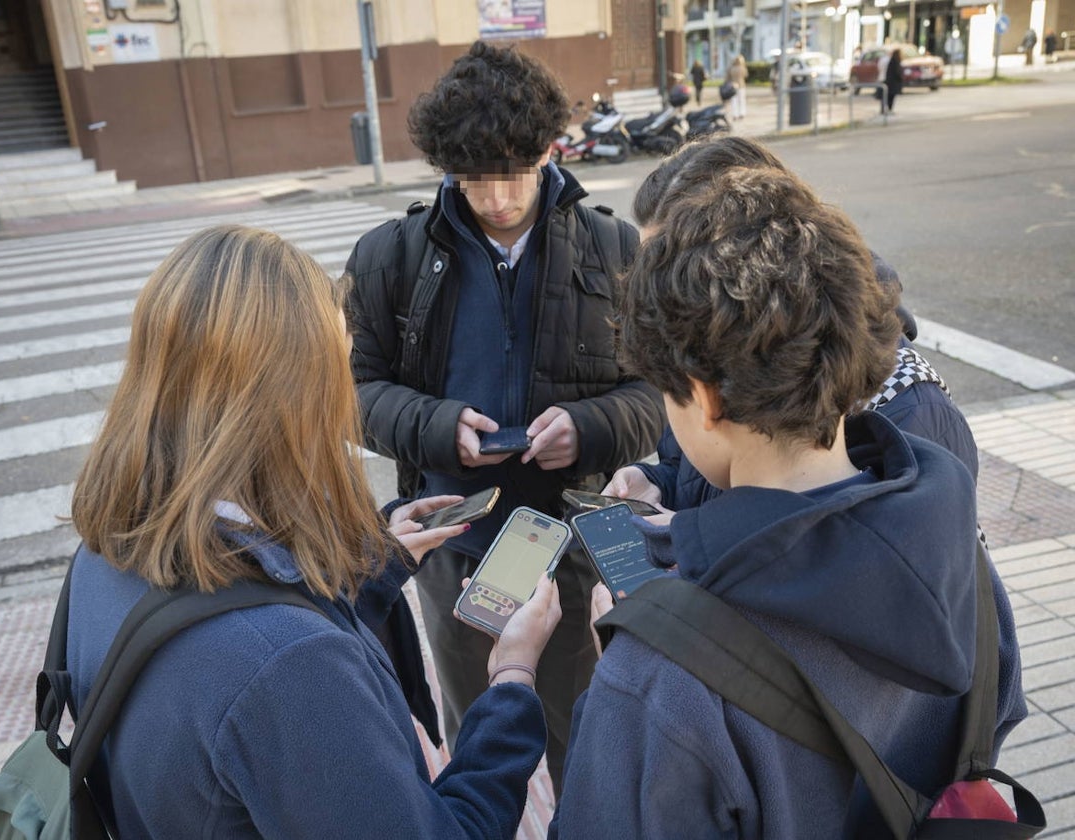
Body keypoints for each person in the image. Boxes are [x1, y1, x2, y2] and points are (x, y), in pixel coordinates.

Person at [550, 164, 1027, 838]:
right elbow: (993, 718)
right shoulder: (959, 555)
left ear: (705, 397)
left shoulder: (658, 680)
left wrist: (629, 688)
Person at [66, 224, 564, 838]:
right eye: (337, 371)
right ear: (292, 401)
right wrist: (512, 679)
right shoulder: (292, 667)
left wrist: (374, 573)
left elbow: (229, 638)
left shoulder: (103, 551)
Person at [345, 41, 665, 795]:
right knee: (480, 730)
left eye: (511, 175)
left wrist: (589, 429)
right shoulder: (389, 256)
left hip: (584, 537)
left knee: (585, 729)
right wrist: (434, 425)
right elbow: (354, 392)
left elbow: (657, 393)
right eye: (471, 179)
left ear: (549, 149)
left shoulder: (614, 247)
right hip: (455, 539)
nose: (494, 198)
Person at [611, 137, 980, 513]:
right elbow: (701, 470)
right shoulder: (706, 350)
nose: (657, 294)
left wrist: (700, 554)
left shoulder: (914, 411)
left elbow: (875, 558)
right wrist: (658, 482)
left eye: (670, 265)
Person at [728, 54, 748, 120]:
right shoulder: (743, 68)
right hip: (741, 85)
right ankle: (742, 113)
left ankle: (735, 114)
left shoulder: (731, 68)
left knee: (734, 100)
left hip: (733, 85)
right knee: (742, 100)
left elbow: (728, 77)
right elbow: (746, 75)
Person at [884, 47, 904, 114]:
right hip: (893, 83)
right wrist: (901, 77)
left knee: (890, 97)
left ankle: (888, 109)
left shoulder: (893, 60)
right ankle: (888, 109)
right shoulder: (895, 61)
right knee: (890, 97)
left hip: (892, 82)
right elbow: (897, 72)